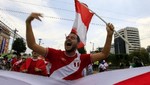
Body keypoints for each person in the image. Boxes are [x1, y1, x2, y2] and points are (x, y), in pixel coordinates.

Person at [25, 13, 114, 80]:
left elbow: (104, 54)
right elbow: (32, 45)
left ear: (78, 44)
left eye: (72, 38)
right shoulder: (54, 54)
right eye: (67, 37)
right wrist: (28, 22)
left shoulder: (82, 59)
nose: (68, 39)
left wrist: (109, 35)